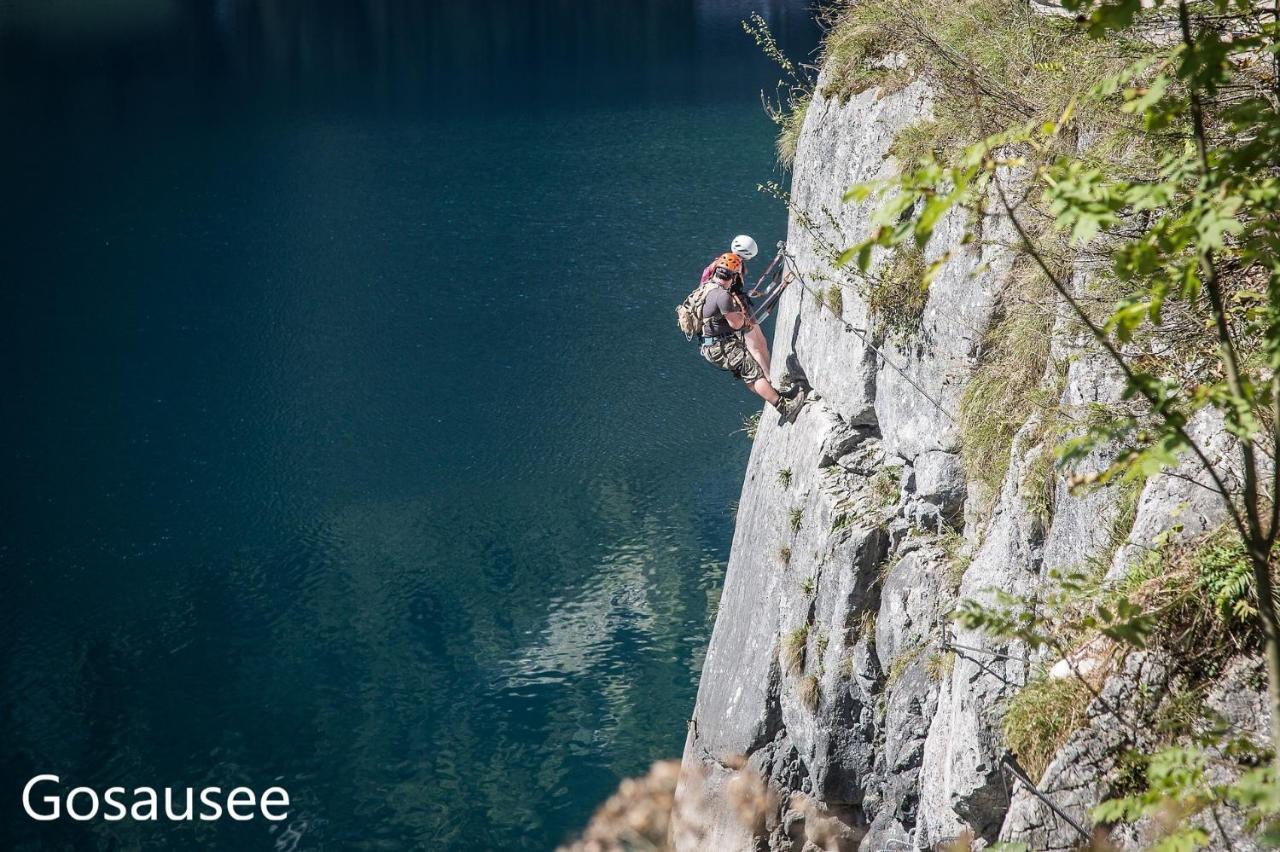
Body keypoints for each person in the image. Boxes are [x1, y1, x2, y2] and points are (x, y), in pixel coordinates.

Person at [700, 253, 806, 422]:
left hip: (713, 345)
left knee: (748, 374)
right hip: (720, 346)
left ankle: (776, 395)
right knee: (754, 374)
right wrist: (742, 315)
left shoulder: (707, 287)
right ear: (733, 277)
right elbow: (736, 324)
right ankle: (785, 408)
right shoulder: (723, 296)